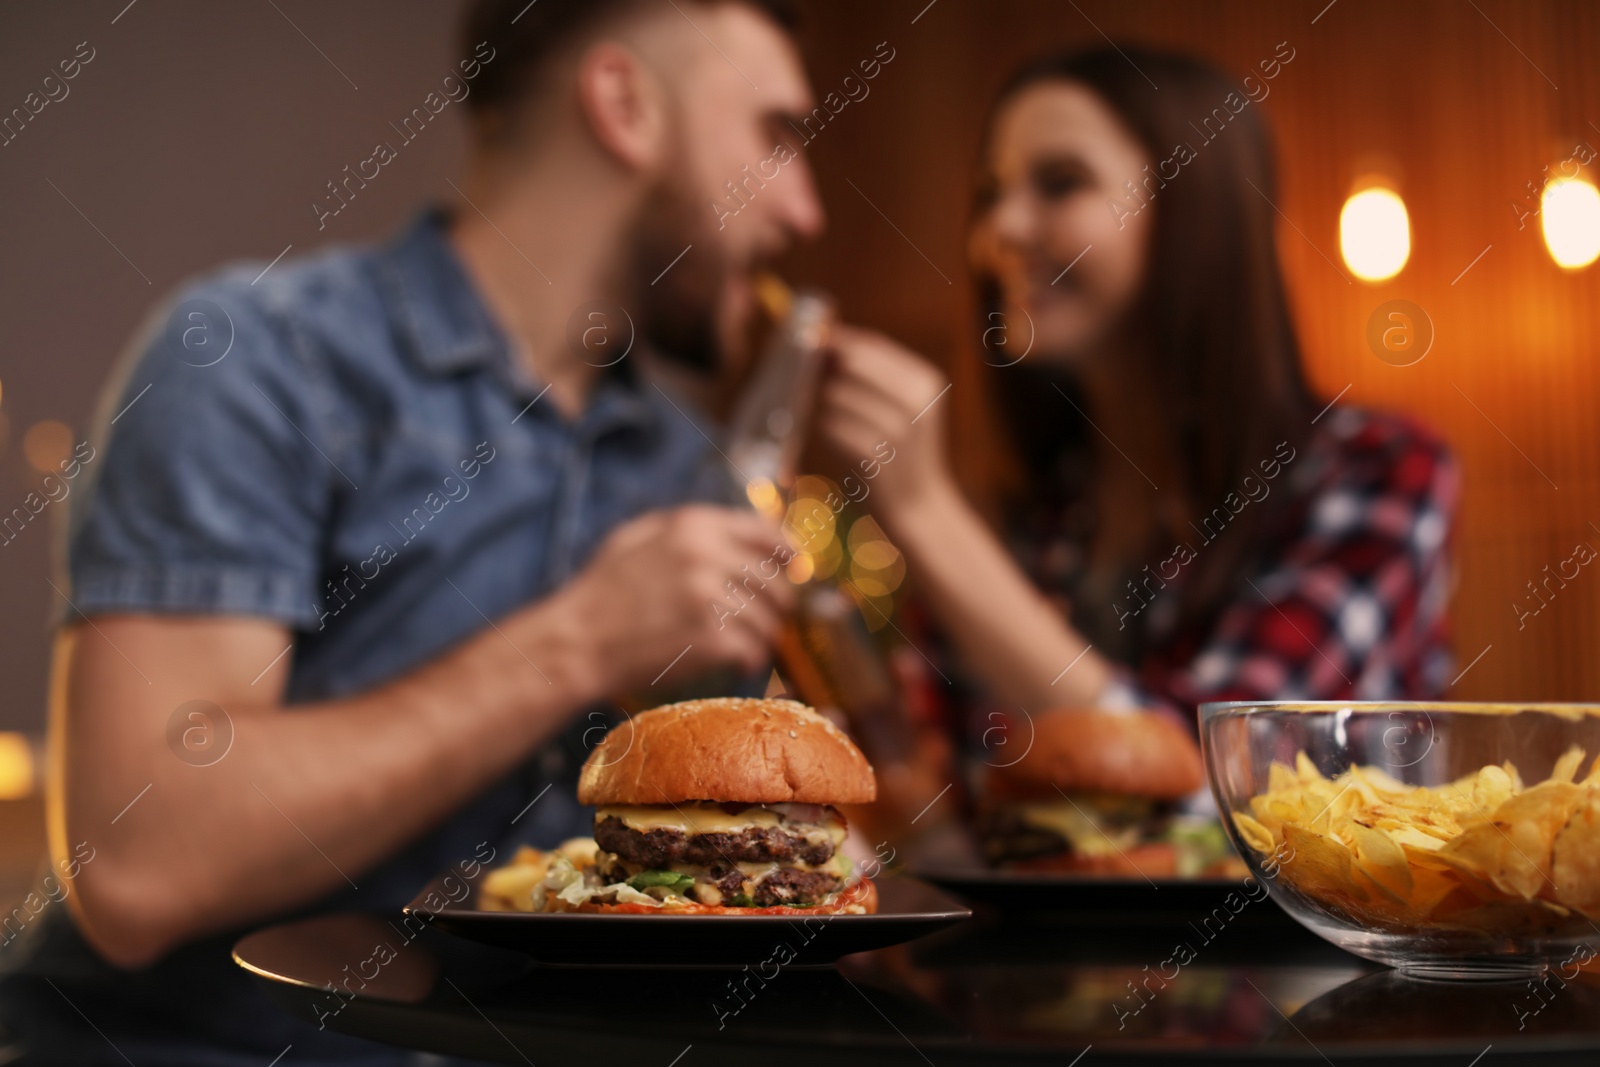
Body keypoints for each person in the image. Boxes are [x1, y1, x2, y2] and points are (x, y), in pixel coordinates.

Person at [0, 1, 824, 1062]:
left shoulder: (690, 470)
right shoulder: (253, 359)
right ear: (625, 106)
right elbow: (136, 865)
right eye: (776, 133)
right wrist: (580, 637)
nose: (804, 209)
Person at [816, 47, 1459, 743]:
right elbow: (947, 796)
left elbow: (1221, 781)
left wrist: (924, 510)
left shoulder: (1377, 470)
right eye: (991, 194)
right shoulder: (1034, 512)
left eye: (1061, 183)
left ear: (1196, 208)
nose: (1001, 230)